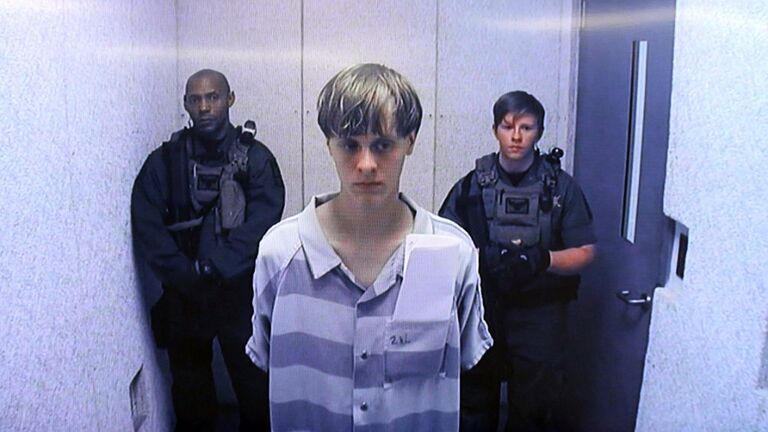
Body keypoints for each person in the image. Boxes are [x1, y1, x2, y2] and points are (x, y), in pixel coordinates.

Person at [246, 63, 493, 431]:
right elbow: (266, 357)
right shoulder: (279, 254)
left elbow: (466, 363)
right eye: (350, 144)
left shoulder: (454, 254)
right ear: (328, 144)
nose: (366, 164)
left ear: (410, 141)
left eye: (383, 144)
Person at [131, 69, 285, 431]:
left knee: (255, 392)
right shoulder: (164, 161)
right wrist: (185, 274)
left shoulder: (255, 158)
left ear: (229, 99)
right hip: (185, 294)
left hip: (240, 293)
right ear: (186, 104)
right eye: (195, 99)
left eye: (212, 97)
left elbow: (265, 219)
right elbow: (147, 224)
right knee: (191, 400)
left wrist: (217, 266)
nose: (204, 107)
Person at [439, 91, 596, 432]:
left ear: (539, 132)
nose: (516, 136)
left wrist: (542, 260)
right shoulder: (472, 186)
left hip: (541, 315)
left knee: (533, 410)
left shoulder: (561, 188)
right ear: (495, 129)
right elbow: (443, 243)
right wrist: (481, 258)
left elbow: (585, 251)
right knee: (473, 407)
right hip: (483, 311)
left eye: (526, 127)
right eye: (507, 126)